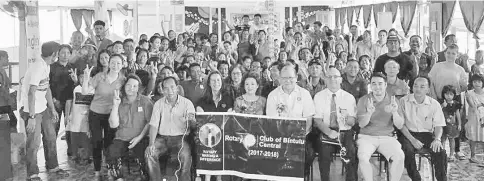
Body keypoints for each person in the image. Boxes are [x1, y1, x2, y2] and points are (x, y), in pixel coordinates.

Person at [19, 41, 69, 181]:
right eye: (58, 53)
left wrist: (52, 109)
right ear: (54, 54)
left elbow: (46, 88)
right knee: (34, 142)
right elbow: (31, 93)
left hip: (43, 107)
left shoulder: (46, 65)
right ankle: (32, 174)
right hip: (31, 110)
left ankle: (53, 166)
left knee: (51, 136)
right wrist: (32, 117)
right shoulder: (37, 67)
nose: (58, 56)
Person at [266, 64, 315, 180]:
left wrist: (298, 137)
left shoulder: (304, 94)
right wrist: (284, 137)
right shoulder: (273, 95)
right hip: (280, 136)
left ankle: (299, 177)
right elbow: (272, 121)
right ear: (279, 79)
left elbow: (309, 120)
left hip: (301, 136)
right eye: (284, 78)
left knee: (308, 154)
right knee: (272, 155)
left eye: (290, 78)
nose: (288, 81)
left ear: (296, 77)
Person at [82, 54, 126, 180]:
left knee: (109, 143)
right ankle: (97, 172)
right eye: (113, 62)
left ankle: (109, 170)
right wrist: (86, 78)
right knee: (96, 143)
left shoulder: (123, 80)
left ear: (122, 65)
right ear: (108, 63)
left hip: (111, 116)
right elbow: (85, 92)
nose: (115, 65)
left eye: (118, 63)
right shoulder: (100, 76)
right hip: (95, 113)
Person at [356, 72, 405, 181]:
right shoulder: (364, 100)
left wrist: (395, 112)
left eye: (380, 83)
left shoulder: (393, 101)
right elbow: (361, 124)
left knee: (400, 156)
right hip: (367, 137)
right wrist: (368, 113)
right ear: (370, 85)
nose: (377, 87)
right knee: (363, 158)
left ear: (385, 85)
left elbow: (400, 125)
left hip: (387, 137)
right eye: (374, 84)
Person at [145, 76, 196, 181]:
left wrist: (191, 120)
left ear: (177, 88)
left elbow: (193, 126)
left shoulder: (187, 103)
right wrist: (151, 144)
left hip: (181, 139)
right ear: (162, 90)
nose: (170, 91)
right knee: (150, 153)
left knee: (186, 156)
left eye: (172, 87)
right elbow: (154, 125)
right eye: (166, 88)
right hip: (162, 138)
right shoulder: (158, 104)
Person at [398, 76, 447, 181]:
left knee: (440, 152)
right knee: (408, 151)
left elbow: (439, 125)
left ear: (428, 89)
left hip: (427, 134)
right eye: (415, 85)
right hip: (408, 134)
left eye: (422, 86)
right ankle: (416, 178)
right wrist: (412, 140)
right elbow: (401, 125)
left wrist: (437, 139)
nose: (418, 89)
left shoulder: (434, 104)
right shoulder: (403, 101)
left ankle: (441, 179)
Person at [313, 67, 358, 181]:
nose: (332, 79)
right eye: (329, 77)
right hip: (326, 130)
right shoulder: (318, 96)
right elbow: (317, 120)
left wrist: (347, 117)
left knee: (351, 153)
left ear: (341, 79)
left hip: (345, 131)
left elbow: (352, 122)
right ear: (325, 79)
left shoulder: (349, 97)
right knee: (324, 154)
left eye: (336, 77)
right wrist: (328, 132)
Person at [106, 74, 153, 180]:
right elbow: (113, 125)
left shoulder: (145, 101)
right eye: (128, 85)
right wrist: (115, 105)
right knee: (112, 153)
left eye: (134, 86)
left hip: (141, 137)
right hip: (121, 137)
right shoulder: (119, 101)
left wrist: (139, 137)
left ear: (138, 88)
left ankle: (144, 176)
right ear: (124, 86)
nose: (131, 88)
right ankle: (118, 177)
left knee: (143, 155)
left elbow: (150, 122)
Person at [49, 44, 77, 156]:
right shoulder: (51, 67)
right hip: (55, 102)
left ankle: (71, 150)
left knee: (69, 127)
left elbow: (78, 86)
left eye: (68, 53)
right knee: (53, 129)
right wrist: (53, 100)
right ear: (58, 54)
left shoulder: (73, 67)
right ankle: (51, 154)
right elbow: (47, 85)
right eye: (63, 53)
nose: (65, 55)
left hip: (69, 102)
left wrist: (75, 81)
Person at [66, 73, 93, 165]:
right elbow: (69, 101)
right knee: (74, 135)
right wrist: (68, 115)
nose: (83, 79)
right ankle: (75, 155)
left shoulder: (93, 90)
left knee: (86, 137)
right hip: (75, 116)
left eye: (85, 77)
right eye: (81, 77)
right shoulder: (75, 88)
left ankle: (87, 156)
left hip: (87, 117)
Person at [465, 74, 484, 164]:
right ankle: (473, 156)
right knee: (473, 137)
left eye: (479, 81)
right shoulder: (469, 93)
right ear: (472, 83)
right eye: (475, 81)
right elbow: (472, 106)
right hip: (473, 118)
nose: (477, 83)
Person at [440, 85, 462, 161]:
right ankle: (441, 154)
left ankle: (451, 154)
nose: (448, 96)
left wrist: (459, 124)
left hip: (452, 125)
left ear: (454, 95)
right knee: (442, 139)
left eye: (451, 94)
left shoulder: (455, 104)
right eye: (446, 94)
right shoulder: (441, 102)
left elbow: (458, 114)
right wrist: (442, 105)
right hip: (442, 125)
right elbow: (437, 111)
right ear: (443, 94)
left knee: (452, 139)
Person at [0, 50, 17, 132]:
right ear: (1, 58)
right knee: (11, 123)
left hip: (5, 103)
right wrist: (9, 100)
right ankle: (12, 143)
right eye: (7, 57)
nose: (8, 60)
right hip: (3, 104)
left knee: (12, 122)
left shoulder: (2, 70)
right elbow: (2, 89)